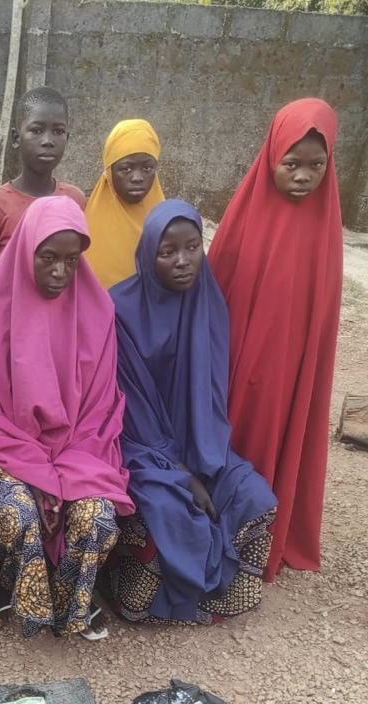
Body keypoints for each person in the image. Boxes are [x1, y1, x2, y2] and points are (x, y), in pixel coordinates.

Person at [108, 200, 277, 624]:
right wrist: (181, 472)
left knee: (254, 497)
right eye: (167, 252)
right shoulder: (120, 309)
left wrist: (204, 461)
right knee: (165, 505)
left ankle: (218, 595)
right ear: (148, 254)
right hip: (140, 446)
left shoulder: (209, 303)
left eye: (192, 247)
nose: (183, 261)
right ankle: (139, 598)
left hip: (202, 443)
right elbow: (132, 410)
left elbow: (210, 398)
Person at [0, 196, 133, 639]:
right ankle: (10, 588)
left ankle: (70, 601)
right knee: (17, 512)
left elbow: (99, 410)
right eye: (48, 258)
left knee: (96, 516)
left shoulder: (97, 313)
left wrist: (63, 473)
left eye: (71, 260)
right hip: (11, 450)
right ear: (27, 251)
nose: (61, 271)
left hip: (80, 451)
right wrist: (41, 473)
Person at [208, 99, 342, 582]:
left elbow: (322, 316)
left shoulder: (326, 229)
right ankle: (222, 530)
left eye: (316, 166)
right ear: (271, 157)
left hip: (291, 371)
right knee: (237, 438)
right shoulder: (245, 215)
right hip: (240, 365)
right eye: (291, 164)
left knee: (281, 436)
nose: (303, 176)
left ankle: (267, 535)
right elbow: (215, 293)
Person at [0, 87, 85, 290]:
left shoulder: (75, 200)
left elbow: (79, 274)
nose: (48, 141)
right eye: (36, 130)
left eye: (58, 132)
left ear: (67, 138)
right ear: (16, 138)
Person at [83, 119, 165, 290]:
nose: (137, 178)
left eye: (147, 168)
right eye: (126, 169)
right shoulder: (86, 228)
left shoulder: (169, 225)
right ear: (110, 171)